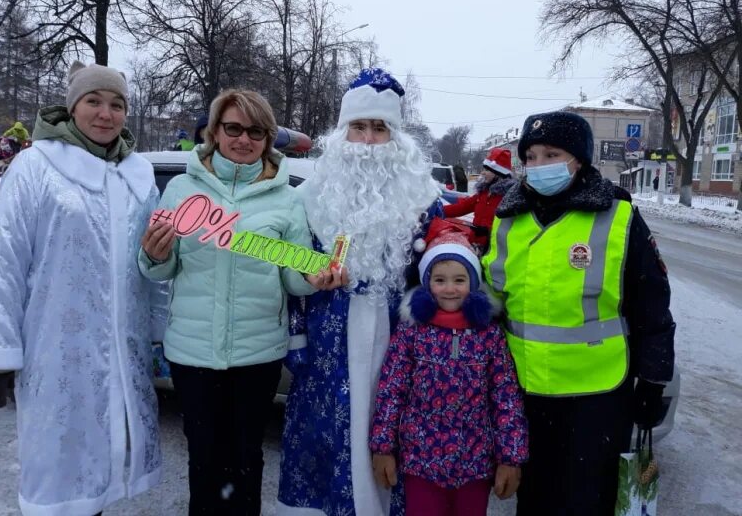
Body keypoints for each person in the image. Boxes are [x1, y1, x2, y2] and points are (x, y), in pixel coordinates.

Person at [0, 61, 167, 516]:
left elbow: (151, 263)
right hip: (55, 353)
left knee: (108, 471)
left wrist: (159, 333)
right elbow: (5, 264)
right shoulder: (36, 166)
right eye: (94, 101)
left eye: (117, 104)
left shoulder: (137, 178)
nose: (106, 114)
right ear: (72, 107)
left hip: (123, 353)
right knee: (61, 477)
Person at [139, 89, 336, 516]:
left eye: (255, 131)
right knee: (204, 460)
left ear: (267, 138)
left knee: (246, 460)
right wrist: (154, 254)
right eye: (233, 128)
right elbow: (160, 268)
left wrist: (314, 277)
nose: (243, 139)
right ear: (214, 132)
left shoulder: (285, 199)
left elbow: (293, 276)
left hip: (257, 354)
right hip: (193, 353)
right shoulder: (179, 190)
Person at [481, 111, 676, 515]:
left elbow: (652, 305)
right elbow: (489, 297)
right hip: (525, 389)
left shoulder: (618, 217)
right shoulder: (508, 220)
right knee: (534, 496)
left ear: (580, 160)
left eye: (552, 154)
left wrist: (654, 380)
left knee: (589, 500)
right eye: (530, 156)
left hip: (598, 397)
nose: (538, 166)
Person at [277, 68, 443, 516]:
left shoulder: (423, 198)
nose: (368, 140)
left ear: (395, 137)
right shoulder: (308, 197)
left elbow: (441, 275)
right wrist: (297, 341)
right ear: (342, 130)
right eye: (359, 127)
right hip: (328, 344)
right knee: (330, 441)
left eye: (379, 128)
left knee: (395, 443)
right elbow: (290, 280)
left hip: (400, 346)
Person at [370, 218, 528, 516]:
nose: (450, 289)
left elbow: (506, 397)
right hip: (421, 462)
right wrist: (383, 447)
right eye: (440, 280)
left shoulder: (488, 335)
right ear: (427, 282)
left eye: (459, 280)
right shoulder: (412, 332)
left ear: (473, 282)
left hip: (475, 464)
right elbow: (391, 391)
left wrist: (511, 457)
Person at [443, 147, 515, 254]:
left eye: (487, 170)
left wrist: (488, 231)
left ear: (498, 172)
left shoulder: (509, 197)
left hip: (495, 251)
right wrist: (439, 210)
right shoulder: (483, 193)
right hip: (474, 245)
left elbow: (513, 228)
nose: (483, 173)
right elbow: (463, 207)